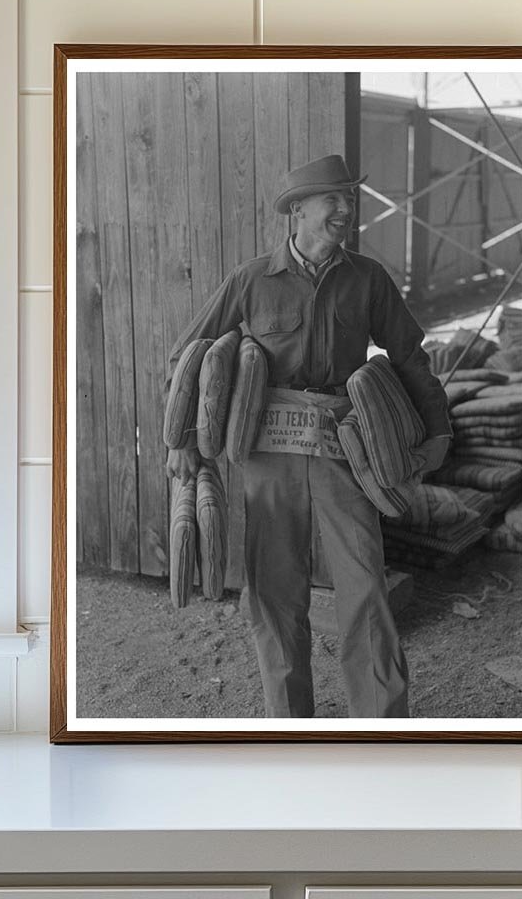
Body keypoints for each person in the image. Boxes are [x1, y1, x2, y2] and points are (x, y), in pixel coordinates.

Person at [166, 154, 450, 718]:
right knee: (273, 595)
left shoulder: (367, 279)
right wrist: (182, 442)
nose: (346, 209)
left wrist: (437, 432)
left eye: (349, 199)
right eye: (333, 199)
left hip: (345, 451)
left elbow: (410, 356)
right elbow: (187, 356)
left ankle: (381, 730)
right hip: (268, 456)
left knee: (365, 588)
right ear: (297, 211)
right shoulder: (251, 280)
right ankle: (289, 730)